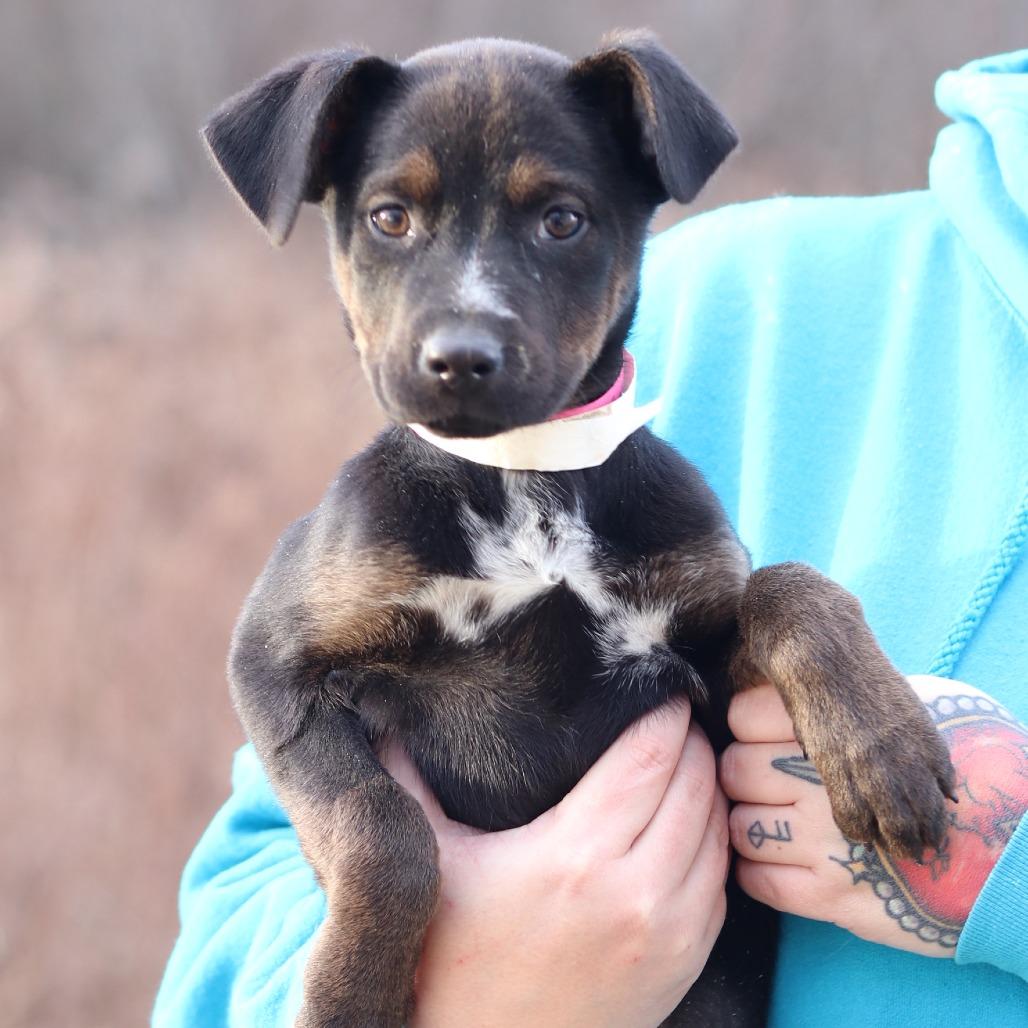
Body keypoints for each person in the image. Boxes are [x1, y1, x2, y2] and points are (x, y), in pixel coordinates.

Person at [153, 48, 1028, 1026]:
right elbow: (265, 742)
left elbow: (731, 638)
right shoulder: (721, 300)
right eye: (393, 220)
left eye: (556, 221)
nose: (463, 324)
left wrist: (804, 619)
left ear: (637, 203)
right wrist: (390, 888)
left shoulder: (670, 501)